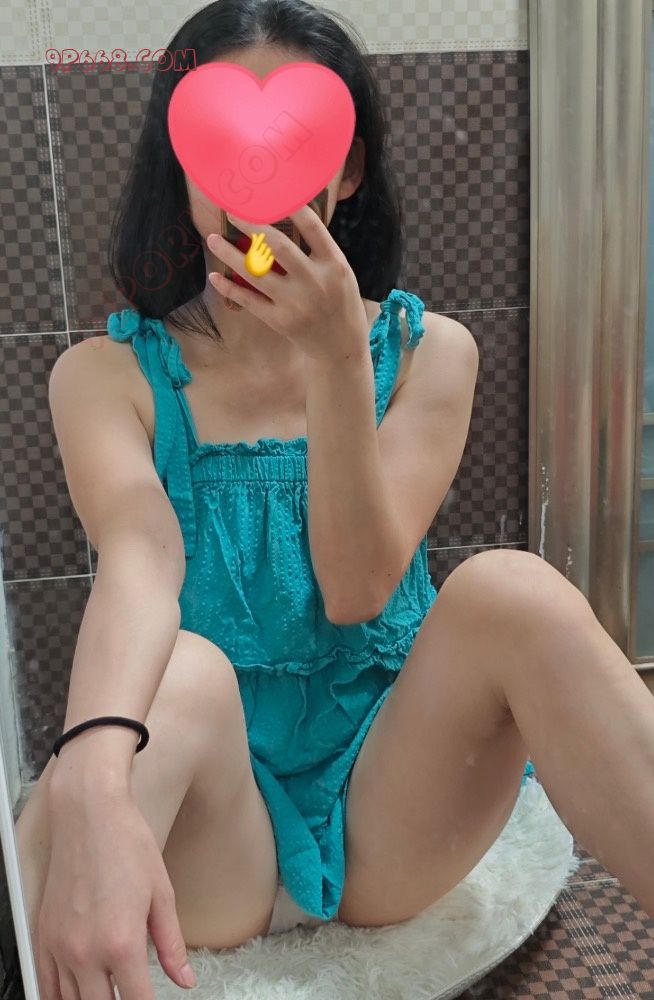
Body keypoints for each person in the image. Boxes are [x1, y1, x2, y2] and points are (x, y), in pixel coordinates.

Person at [15, 2, 654, 999]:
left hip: (392, 798)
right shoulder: (105, 376)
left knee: (513, 591)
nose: (256, 184)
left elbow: (359, 588)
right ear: (181, 165)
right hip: (220, 825)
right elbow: (139, 557)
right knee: (171, 682)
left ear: (347, 168)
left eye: (293, 145)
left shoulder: (432, 354)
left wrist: (337, 364)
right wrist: (90, 777)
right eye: (224, 148)